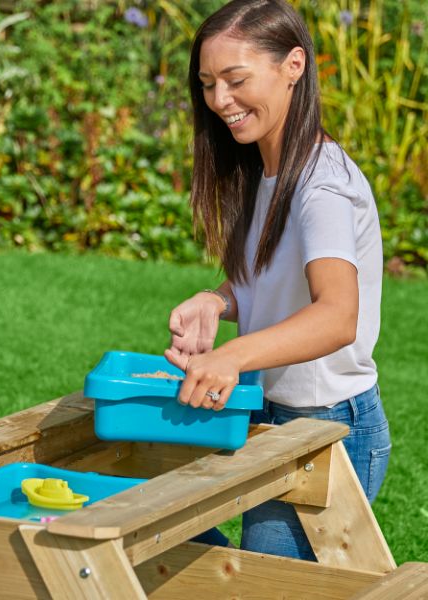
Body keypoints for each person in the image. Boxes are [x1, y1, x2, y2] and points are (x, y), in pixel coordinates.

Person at [164, 0, 391, 561]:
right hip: (271, 411)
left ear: (295, 65)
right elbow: (273, 278)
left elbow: (337, 316)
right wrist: (216, 301)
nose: (220, 101)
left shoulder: (323, 185)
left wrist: (232, 356)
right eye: (208, 84)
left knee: (255, 582)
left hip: (327, 428)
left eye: (236, 80)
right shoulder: (265, 169)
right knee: (164, 529)